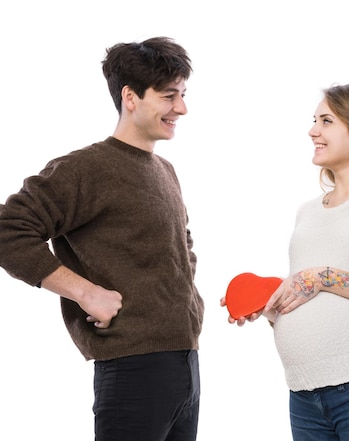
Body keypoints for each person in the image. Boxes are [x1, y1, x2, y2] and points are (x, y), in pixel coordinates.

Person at [0, 37, 204, 441]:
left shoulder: (164, 170)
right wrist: (85, 292)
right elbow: (8, 230)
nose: (181, 108)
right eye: (169, 96)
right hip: (132, 369)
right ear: (131, 96)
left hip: (184, 366)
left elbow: (182, 251)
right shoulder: (86, 169)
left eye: (182, 95)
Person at [222, 84, 349, 440]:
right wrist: (272, 308)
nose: (312, 130)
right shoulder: (307, 212)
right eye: (314, 120)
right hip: (303, 394)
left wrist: (326, 277)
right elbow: (309, 294)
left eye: (326, 120)